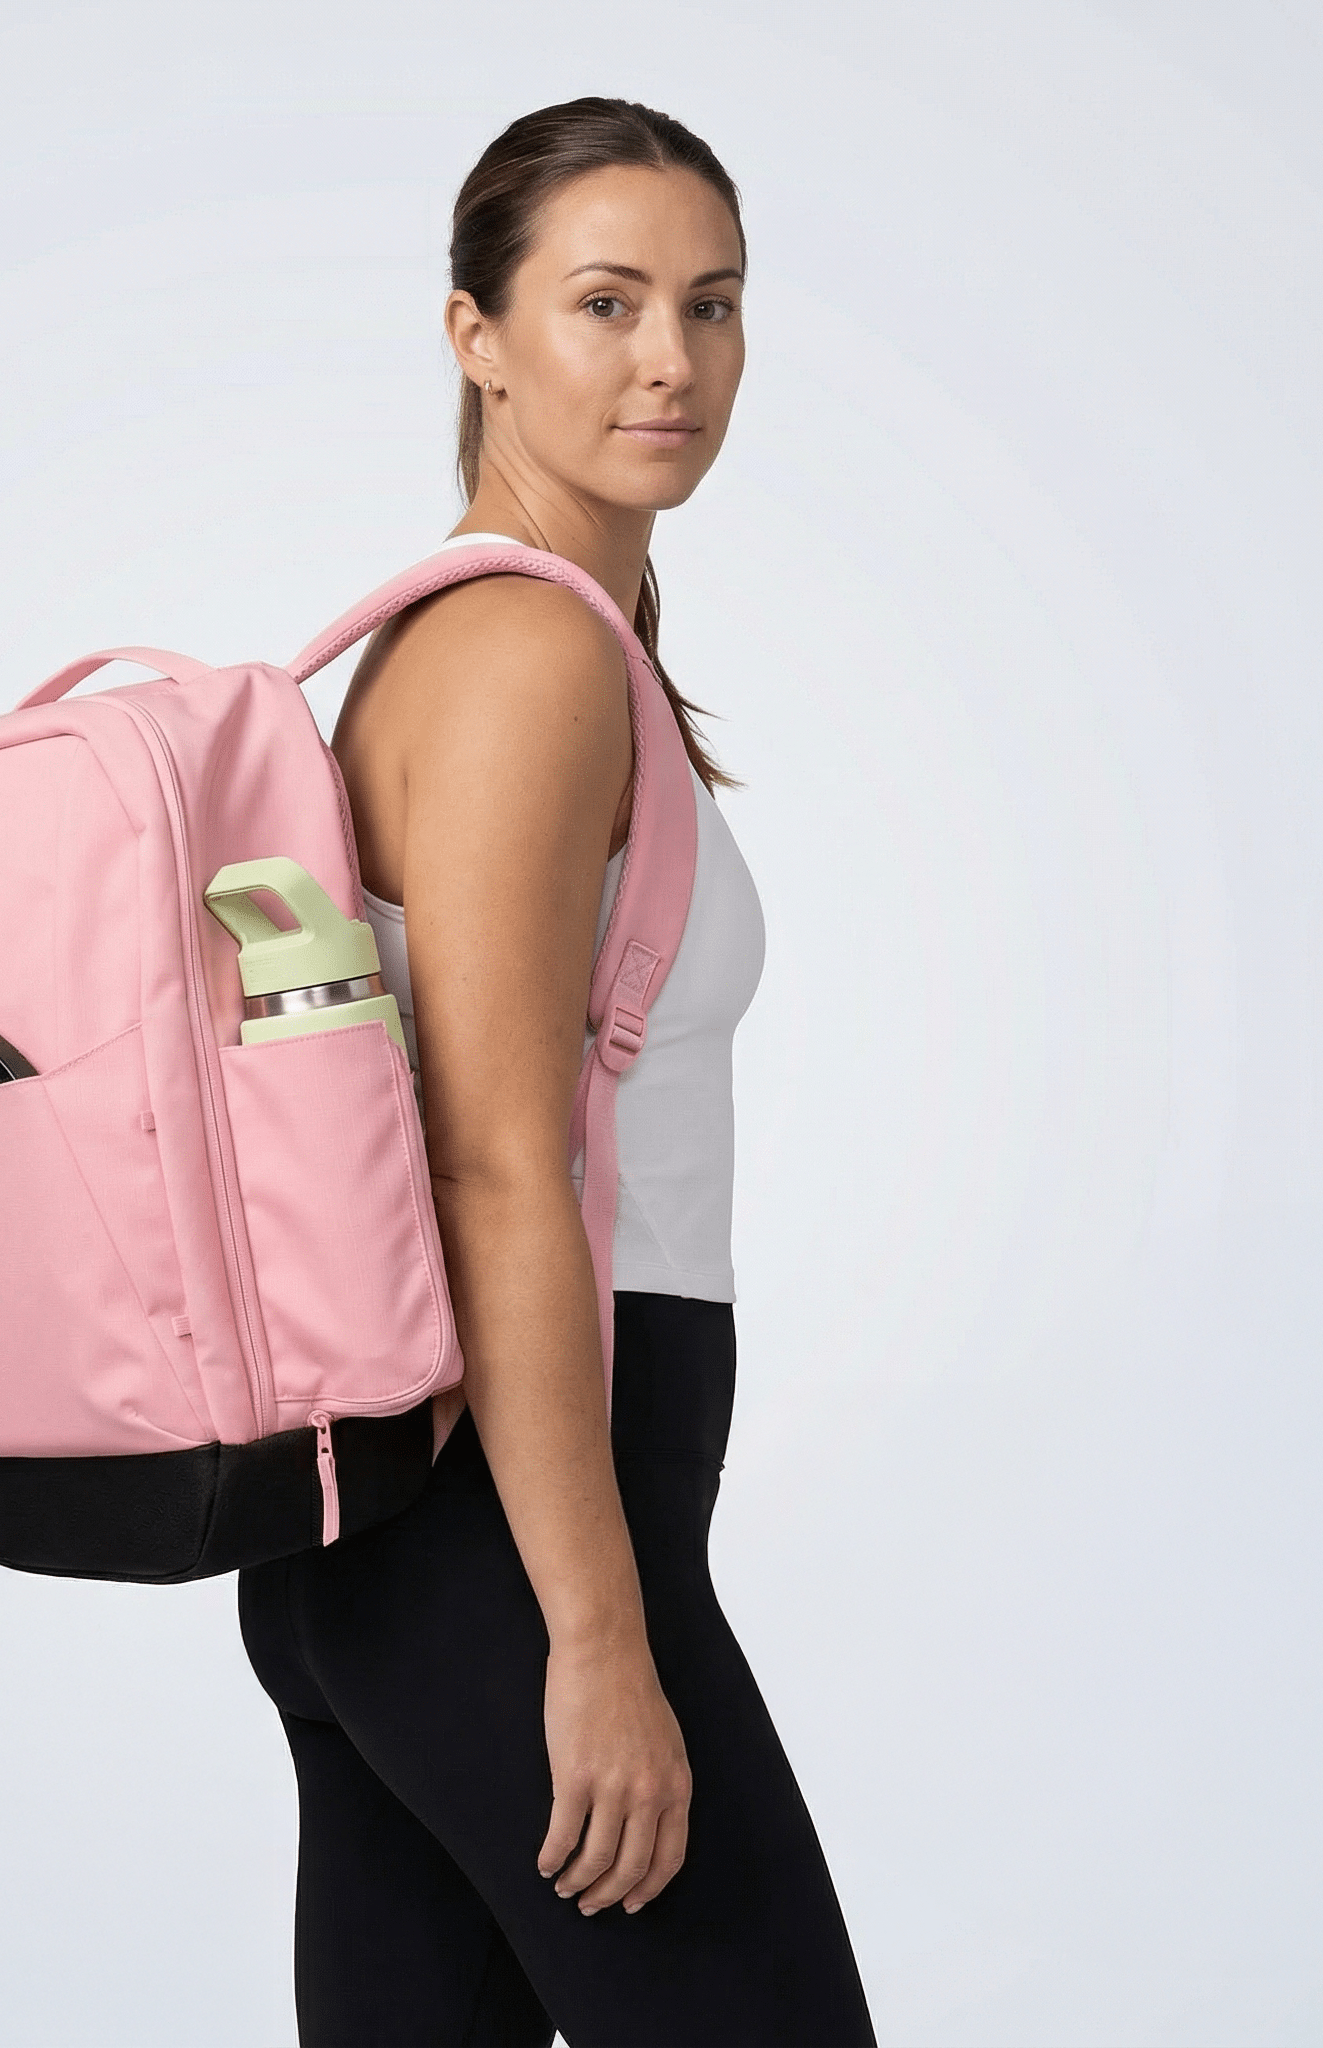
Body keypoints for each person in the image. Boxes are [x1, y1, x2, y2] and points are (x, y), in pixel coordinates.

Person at [237, 98, 877, 2047]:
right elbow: (494, 1166)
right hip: (507, 1532)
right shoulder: (522, 652)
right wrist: (596, 1637)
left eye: (712, 303)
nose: (670, 359)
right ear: (476, 335)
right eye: (602, 303)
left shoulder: (517, 634)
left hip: (409, 1535)